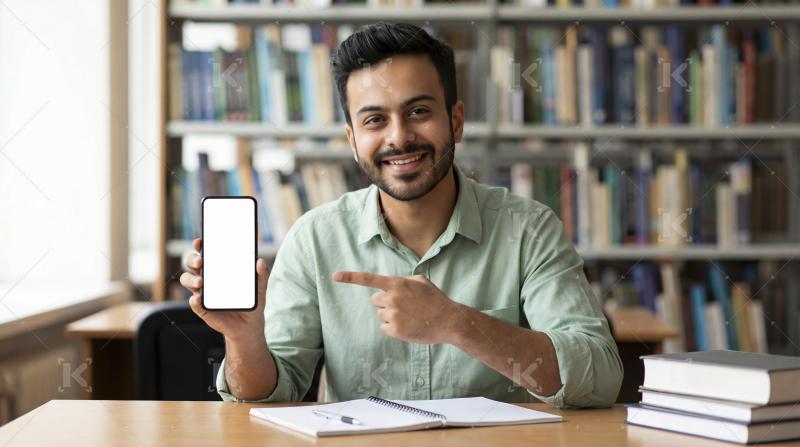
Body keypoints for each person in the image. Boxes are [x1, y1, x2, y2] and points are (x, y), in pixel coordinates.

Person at [180, 22, 623, 408]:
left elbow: (600, 378)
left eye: (418, 112)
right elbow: (272, 395)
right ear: (353, 140)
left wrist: (456, 323)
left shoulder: (529, 229)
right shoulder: (314, 238)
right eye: (375, 120)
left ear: (457, 121)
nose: (399, 137)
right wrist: (243, 340)